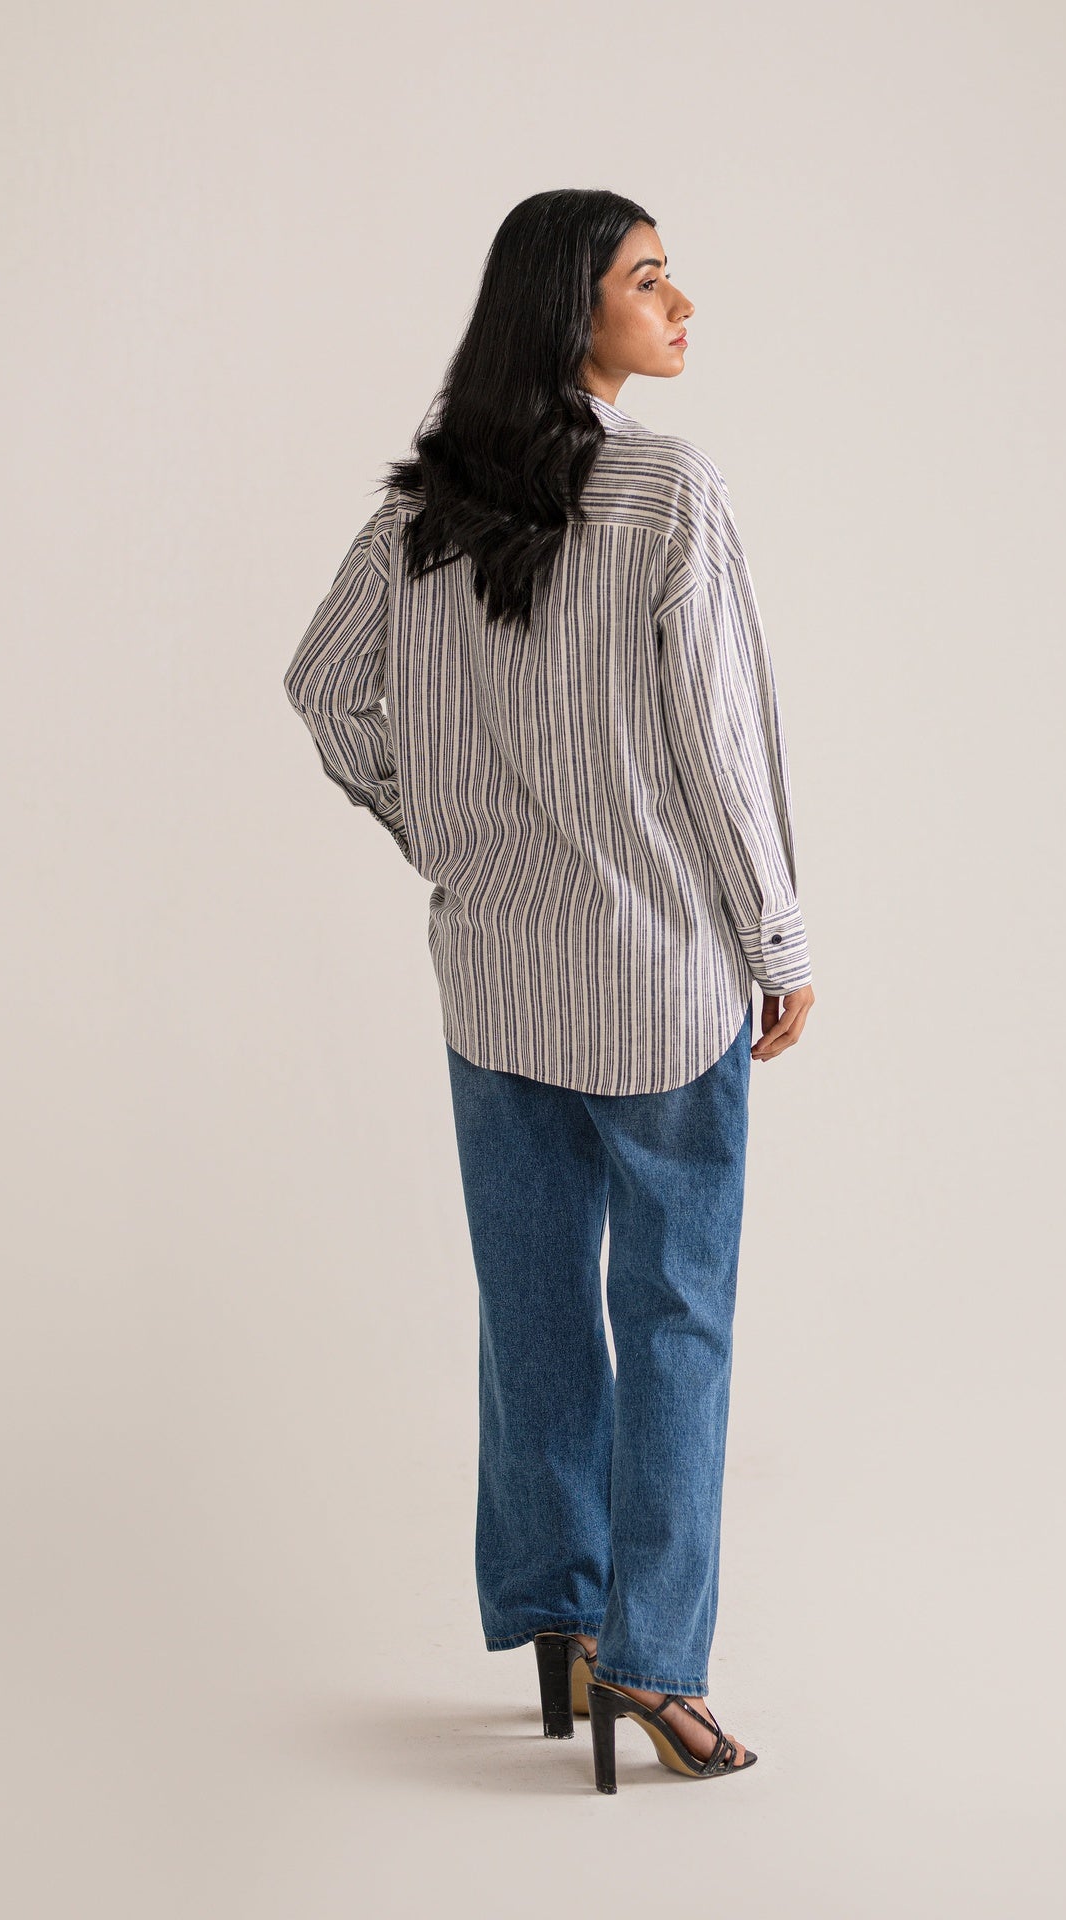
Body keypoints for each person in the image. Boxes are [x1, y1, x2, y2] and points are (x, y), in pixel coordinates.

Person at [283, 188, 816, 1789]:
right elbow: (722, 741)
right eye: (650, 279)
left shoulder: (425, 509)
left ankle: (559, 1625)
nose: (682, 303)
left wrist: (441, 830)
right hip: (660, 979)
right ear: (572, 311)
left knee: (532, 1316)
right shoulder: (665, 490)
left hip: (494, 980)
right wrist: (778, 939)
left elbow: (325, 691)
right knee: (675, 1321)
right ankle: (655, 1664)